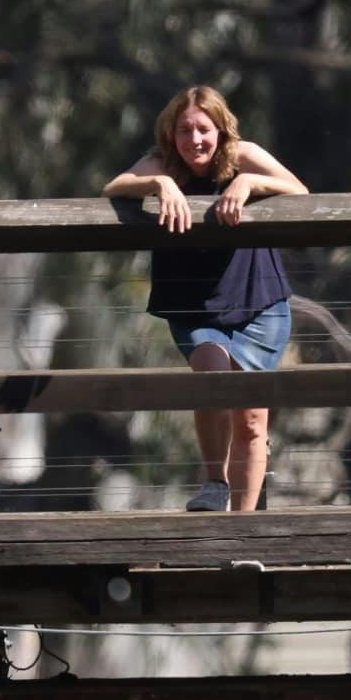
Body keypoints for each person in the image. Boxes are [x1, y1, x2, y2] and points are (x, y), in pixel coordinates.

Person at [101, 86, 307, 512]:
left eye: (203, 129)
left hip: (258, 300)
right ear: (170, 134)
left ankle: (243, 530)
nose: (194, 140)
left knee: (252, 419)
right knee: (213, 379)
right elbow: (114, 187)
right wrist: (158, 184)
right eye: (184, 130)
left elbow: (298, 191)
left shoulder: (243, 156)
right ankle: (215, 483)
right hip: (195, 304)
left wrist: (249, 182)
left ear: (221, 130)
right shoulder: (164, 164)